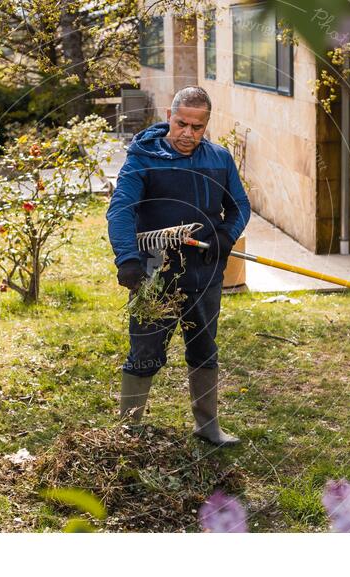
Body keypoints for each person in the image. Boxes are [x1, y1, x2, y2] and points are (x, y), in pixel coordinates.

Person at [106, 86, 251, 446]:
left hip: (204, 271)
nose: (188, 133)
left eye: (197, 127)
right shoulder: (143, 158)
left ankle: (207, 426)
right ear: (169, 117)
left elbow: (240, 206)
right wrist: (127, 259)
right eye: (181, 123)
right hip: (156, 273)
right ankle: (129, 430)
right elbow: (121, 210)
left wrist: (225, 236)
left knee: (204, 347)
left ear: (206, 125)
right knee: (145, 350)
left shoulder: (219, 158)